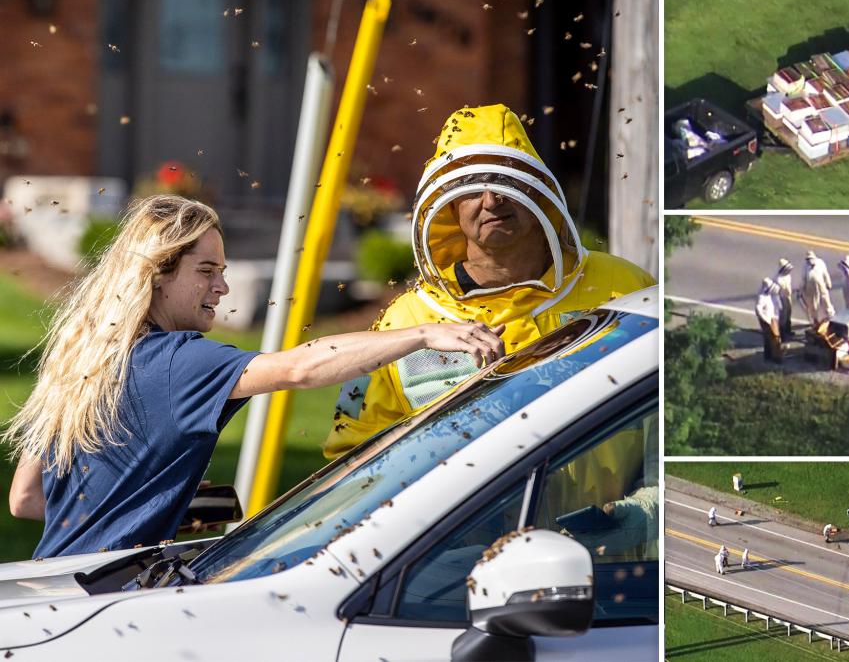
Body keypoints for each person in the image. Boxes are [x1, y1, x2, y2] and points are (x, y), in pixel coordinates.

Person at [4, 195, 505, 558]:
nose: (222, 287)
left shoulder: (84, 361)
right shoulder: (180, 362)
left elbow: (25, 498)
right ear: (158, 272)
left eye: (222, 270)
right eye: (205, 270)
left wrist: (163, 501)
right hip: (114, 602)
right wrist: (421, 335)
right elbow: (301, 366)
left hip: (55, 591)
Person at [325, 103, 655, 459]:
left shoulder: (625, 285)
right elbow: (351, 459)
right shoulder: (402, 323)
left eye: (506, 178)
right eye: (470, 185)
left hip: (606, 514)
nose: (491, 199)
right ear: (448, 204)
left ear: (538, 191)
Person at [801, 250, 834, 328]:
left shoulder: (820, 263)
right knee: (813, 305)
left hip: (821, 286)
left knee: (826, 301)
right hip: (811, 289)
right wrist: (802, 289)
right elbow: (803, 279)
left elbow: (825, 273)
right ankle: (815, 320)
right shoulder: (805, 267)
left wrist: (828, 283)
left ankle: (831, 317)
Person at [755, 277, 783, 363]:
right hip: (767, 321)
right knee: (773, 339)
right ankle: (775, 357)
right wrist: (766, 320)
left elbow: (777, 303)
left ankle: (769, 355)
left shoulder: (770, 295)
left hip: (772, 318)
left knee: (770, 339)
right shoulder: (761, 297)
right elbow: (758, 310)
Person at [775, 258, 794, 339]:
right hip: (781, 298)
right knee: (783, 316)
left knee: (789, 313)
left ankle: (788, 330)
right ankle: (783, 335)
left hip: (787, 296)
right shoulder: (778, 279)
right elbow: (786, 290)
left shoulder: (787, 276)